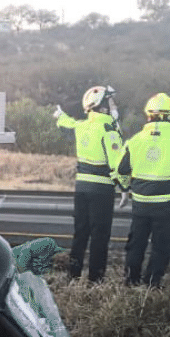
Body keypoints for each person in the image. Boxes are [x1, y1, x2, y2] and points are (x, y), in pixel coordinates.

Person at [115, 92, 170, 287]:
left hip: (141, 202)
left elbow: (121, 169)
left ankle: (131, 280)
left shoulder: (135, 140)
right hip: (166, 204)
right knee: (162, 245)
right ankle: (153, 283)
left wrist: (126, 188)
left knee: (136, 243)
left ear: (148, 115)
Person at [53, 85, 124, 282]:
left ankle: (72, 275)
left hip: (81, 187)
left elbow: (66, 122)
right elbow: (117, 163)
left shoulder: (82, 126)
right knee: (99, 236)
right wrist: (125, 186)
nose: (114, 105)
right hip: (101, 189)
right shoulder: (108, 128)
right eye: (110, 101)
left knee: (80, 233)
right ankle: (95, 279)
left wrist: (59, 114)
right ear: (101, 105)